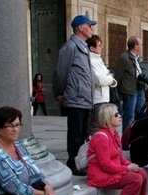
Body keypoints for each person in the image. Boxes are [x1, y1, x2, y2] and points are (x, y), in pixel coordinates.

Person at [87, 104, 148, 195]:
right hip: (100, 175)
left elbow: (119, 157)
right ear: (107, 118)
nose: (120, 116)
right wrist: (126, 169)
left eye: (119, 113)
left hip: (113, 169)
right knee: (135, 179)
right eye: (116, 114)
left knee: (141, 173)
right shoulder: (101, 138)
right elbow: (105, 165)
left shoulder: (114, 134)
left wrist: (130, 165)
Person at [53, 15, 96, 175]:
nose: (91, 28)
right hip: (75, 98)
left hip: (85, 99)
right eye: (89, 25)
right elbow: (60, 72)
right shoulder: (70, 47)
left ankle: (80, 161)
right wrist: (59, 92)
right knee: (76, 134)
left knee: (83, 134)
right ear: (80, 28)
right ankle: (73, 163)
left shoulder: (83, 47)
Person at [115, 36, 147, 132]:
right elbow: (118, 76)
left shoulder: (137, 57)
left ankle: (137, 135)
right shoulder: (124, 57)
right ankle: (126, 139)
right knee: (129, 115)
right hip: (129, 90)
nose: (142, 46)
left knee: (140, 113)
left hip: (139, 88)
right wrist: (119, 93)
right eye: (140, 44)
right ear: (135, 46)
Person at [87, 34, 117, 135]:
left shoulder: (98, 59)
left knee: (103, 124)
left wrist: (109, 79)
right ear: (92, 48)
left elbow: (108, 74)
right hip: (97, 99)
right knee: (95, 125)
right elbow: (100, 79)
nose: (101, 47)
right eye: (99, 45)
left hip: (104, 97)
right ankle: (91, 147)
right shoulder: (91, 60)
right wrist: (111, 80)